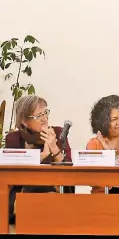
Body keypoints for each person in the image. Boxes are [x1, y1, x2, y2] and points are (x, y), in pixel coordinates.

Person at [5, 95, 73, 224]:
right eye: (38, 116)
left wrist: (54, 149)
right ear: (25, 122)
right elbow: (14, 175)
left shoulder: (58, 133)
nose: (45, 118)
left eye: (45, 113)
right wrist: (41, 156)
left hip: (55, 190)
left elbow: (69, 173)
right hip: (23, 193)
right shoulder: (14, 138)